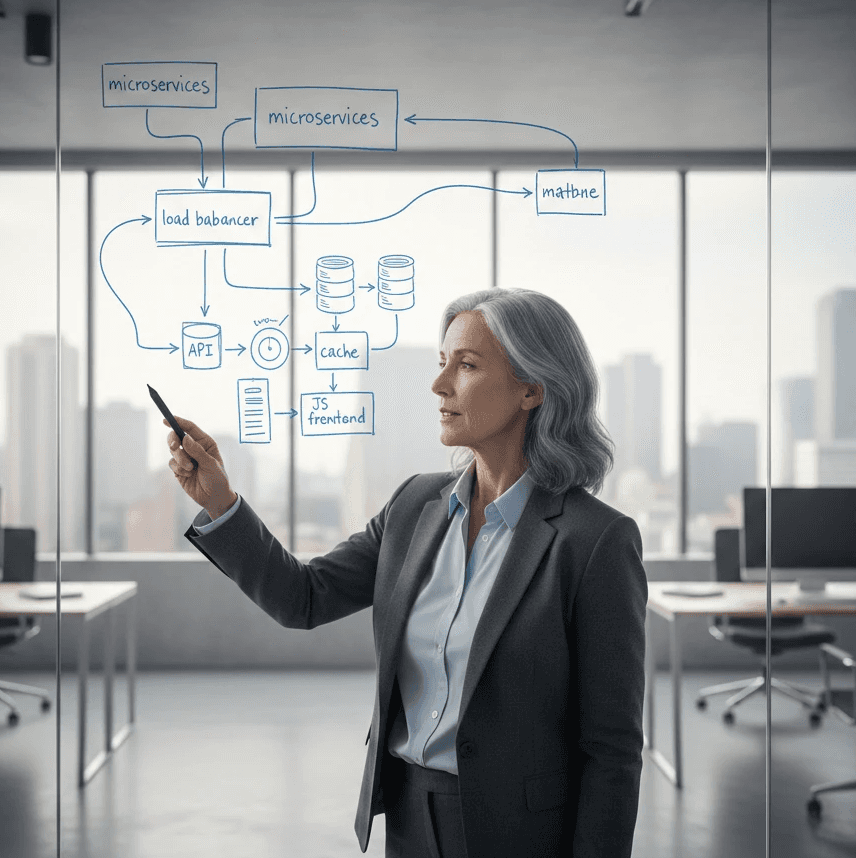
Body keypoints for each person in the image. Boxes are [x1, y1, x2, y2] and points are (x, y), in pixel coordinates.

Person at [166, 286, 647, 858]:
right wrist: (220, 502)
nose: (439, 384)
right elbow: (305, 596)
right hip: (408, 818)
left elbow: (611, 750)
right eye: (442, 363)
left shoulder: (595, 542)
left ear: (532, 389)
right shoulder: (414, 506)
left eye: (466, 365)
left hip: (522, 834)